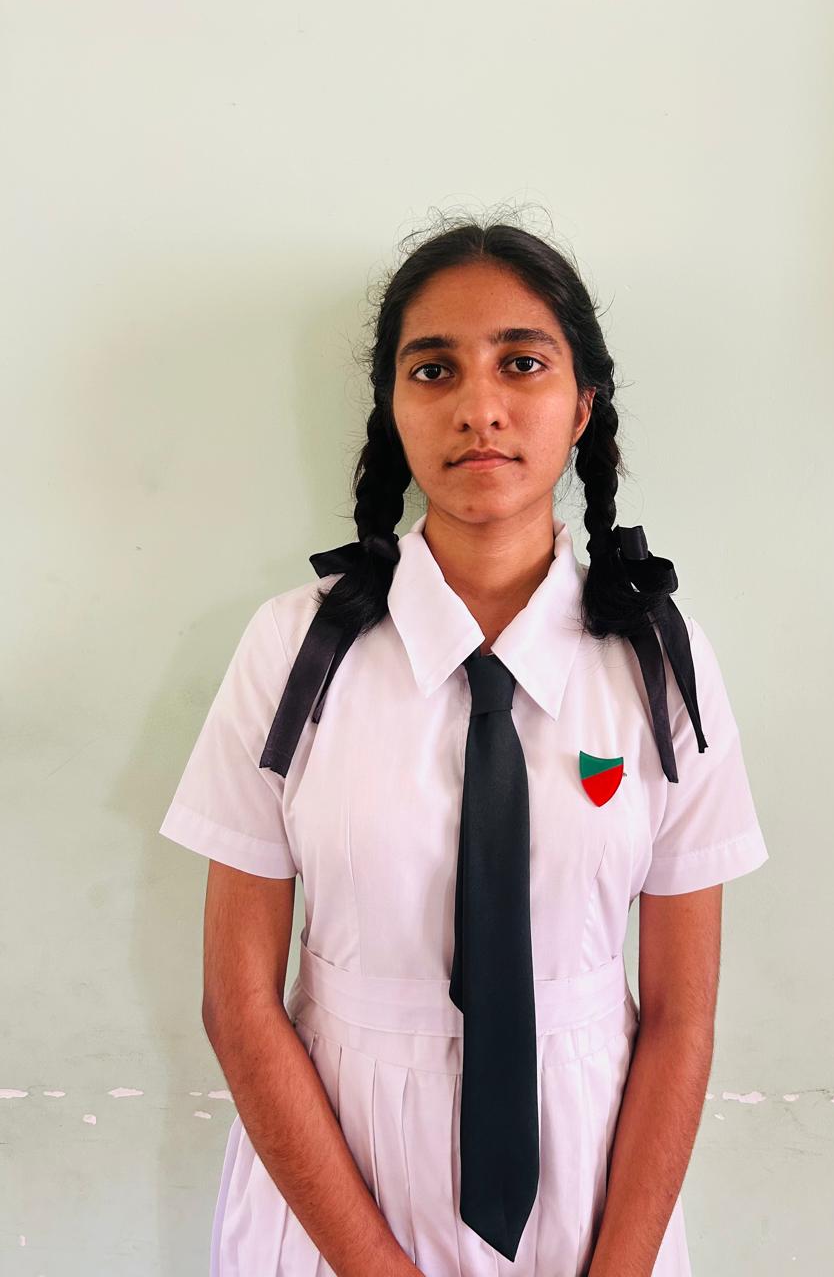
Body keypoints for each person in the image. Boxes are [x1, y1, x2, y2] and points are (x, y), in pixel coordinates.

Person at [158, 215, 770, 1277]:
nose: (479, 406)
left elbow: (681, 1016)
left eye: (521, 363)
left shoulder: (661, 661)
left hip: (593, 1188)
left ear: (582, 405)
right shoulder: (293, 650)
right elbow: (239, 1005)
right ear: (393, 409)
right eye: (433, 369)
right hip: (334, 1188)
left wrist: (620, 1266)